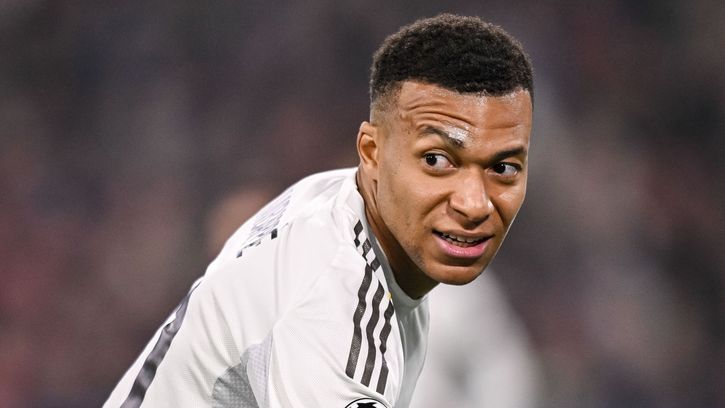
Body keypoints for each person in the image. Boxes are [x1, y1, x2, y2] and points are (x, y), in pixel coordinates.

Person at [105, 13, 534, 408]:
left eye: (503, 168)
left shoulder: (335, 203)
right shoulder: (334, 306)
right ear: (372, 153)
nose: (474, 203)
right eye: (436, 161)